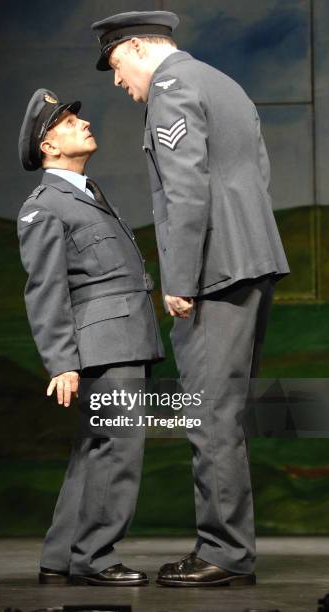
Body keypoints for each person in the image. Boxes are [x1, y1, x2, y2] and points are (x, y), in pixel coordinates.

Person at [91, 11, 290, 587]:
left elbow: (186, 189)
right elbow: (255, 172)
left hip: (216, 270)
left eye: (115, 66)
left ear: (133, 47)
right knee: (226, 412)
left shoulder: (172, 88)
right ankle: (230, 547)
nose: (117, 81)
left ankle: (224, 552)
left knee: (208, 413)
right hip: (251, 259)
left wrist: (178, 278)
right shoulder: (222, 81)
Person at [17, 88, 164, 586]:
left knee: (95, 448)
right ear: (48, 147)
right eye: (66, 121)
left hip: (121, 337)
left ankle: (61, 556)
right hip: (104, 344)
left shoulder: (86, 193)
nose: (82, 123)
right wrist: (61, 361)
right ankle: (95, 557)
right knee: (117, 447)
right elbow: (45, 287)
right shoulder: (45, 206)